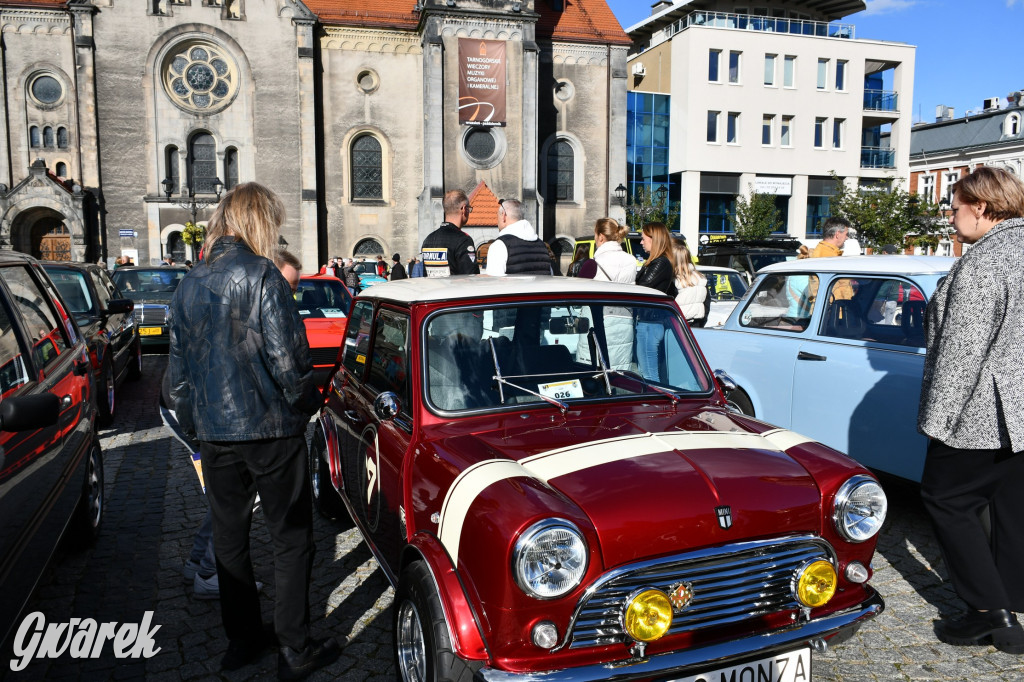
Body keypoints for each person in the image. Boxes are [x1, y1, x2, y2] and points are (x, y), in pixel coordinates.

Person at [168, 182, 340, 677]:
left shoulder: (189, 282)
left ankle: (242, 641)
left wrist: (195, 426)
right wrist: (307, 406)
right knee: (290, 539)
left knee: (230, 539)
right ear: (259, 221)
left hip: (215, 433)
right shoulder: (263, 275)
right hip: (270, 432)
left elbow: (177, 376)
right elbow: (290, 363)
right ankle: (294, 647)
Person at [917, 166, 1024, 655]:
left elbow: (962, 352)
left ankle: (986, 611)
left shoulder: (984, 264)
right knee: (1009, 504)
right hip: (1020, 415)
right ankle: (1011, 603)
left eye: (955, 206)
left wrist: (938, 423)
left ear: (982, 206)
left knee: (946, 498)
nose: (951, 217)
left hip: (982, 412)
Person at [576, 218, 636, 368]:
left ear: (601, 236)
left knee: (594, 369)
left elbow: (576, 294)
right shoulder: (631, 261)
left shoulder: (592, 264)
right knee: (619, 372)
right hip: (625, 321)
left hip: (598, 323)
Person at [634, 222, 678, 382]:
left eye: (643, 238)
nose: (641, 242)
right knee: (648, 372)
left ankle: (655, 404)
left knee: (649, 375)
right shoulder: (660, 262)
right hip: (651, 324)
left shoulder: (660, 263)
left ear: (655, 240)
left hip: (649, 324)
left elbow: (642, 288)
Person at [484, 199, 551, 276]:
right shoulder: (542, 245)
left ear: (503, 215)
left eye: (497, 216)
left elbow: (494, 282)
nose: (497, 222)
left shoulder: (499, 245)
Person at [421, 190, 478, 277]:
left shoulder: (428, 240)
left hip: (434, 289)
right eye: (469, 209)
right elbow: (470, 277)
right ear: (463, 209)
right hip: (455, 289)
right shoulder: (463, 240)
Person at [671, 238, 707, 326]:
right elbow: (707, 304)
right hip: (697, 321)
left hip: (679, 322)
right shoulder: (701, 278)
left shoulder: (675, 279)